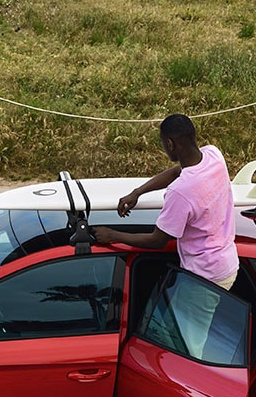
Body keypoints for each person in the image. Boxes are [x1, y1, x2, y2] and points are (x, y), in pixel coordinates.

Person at [92, 114, 238, 289]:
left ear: (170, 144)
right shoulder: (213, 155)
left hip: (205, 276)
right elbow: (178, 171)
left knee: (180, 318)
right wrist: (137, 192)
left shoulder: (180, 192)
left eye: (163, 144)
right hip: (226, 261)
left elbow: (157, 240)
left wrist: (112, 235)